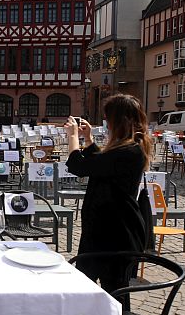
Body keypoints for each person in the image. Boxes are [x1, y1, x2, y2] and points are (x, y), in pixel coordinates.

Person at [64, 94, 153, 298]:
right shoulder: (125, 149)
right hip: (101, 233)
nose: (107, 125)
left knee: (115, 295)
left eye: (108, 119)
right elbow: (103, 165)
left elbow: (79, 166)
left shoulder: (129, 151)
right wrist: (89, 140)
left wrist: (73, 137)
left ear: (118, 120)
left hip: (115, 236)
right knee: (83, 287)